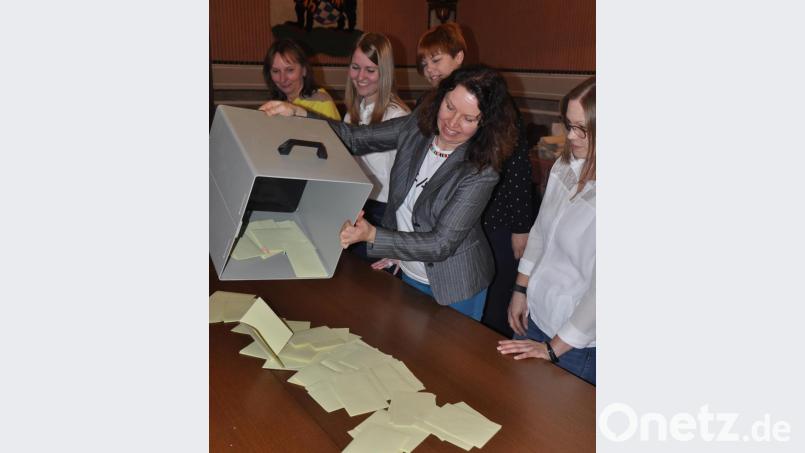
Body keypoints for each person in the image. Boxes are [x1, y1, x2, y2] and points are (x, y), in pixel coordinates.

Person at [260, 65, 518, 322]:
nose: (452, 123)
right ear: (441, 97)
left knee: (450, 357)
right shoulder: (417, 127)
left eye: (468, 119)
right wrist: (300, 114)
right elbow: (356, 138)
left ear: (485, 123)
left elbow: (441, 244)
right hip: (411, 271)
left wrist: (375, 235)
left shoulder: (481, 171)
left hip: (457, 284)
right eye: (449, 107)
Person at [416, 23, 535, 337]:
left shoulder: (493, 100)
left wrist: (521, 227)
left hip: (497, 216)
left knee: (490, 298)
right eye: (424, 63)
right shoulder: (432, 104)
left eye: (436, 60)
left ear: (459, 58)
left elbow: (519, 169)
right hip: (457, 218)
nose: (429, 69)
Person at [497, 77, 596, 385]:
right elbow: (540, 231)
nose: (570, 135)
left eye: (582, 128)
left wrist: (553, 349)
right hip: (538, 314)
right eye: (568, 124)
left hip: (574, 341)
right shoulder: (566, 164)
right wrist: (520, 289)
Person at [342, 32, 411, 262]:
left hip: (384, 216)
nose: (361, 76)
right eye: (355, 67)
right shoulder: (351, 113)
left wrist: (397, 245)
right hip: (354, 206)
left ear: (384, 73)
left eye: (370, 70)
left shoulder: (397, 116)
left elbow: (408, 187)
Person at [259, 38, 340, 120]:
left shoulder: (321, 102)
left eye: (290, 70)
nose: (282, 79)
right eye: (276, 71)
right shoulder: (275, 103)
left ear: (304, 70)